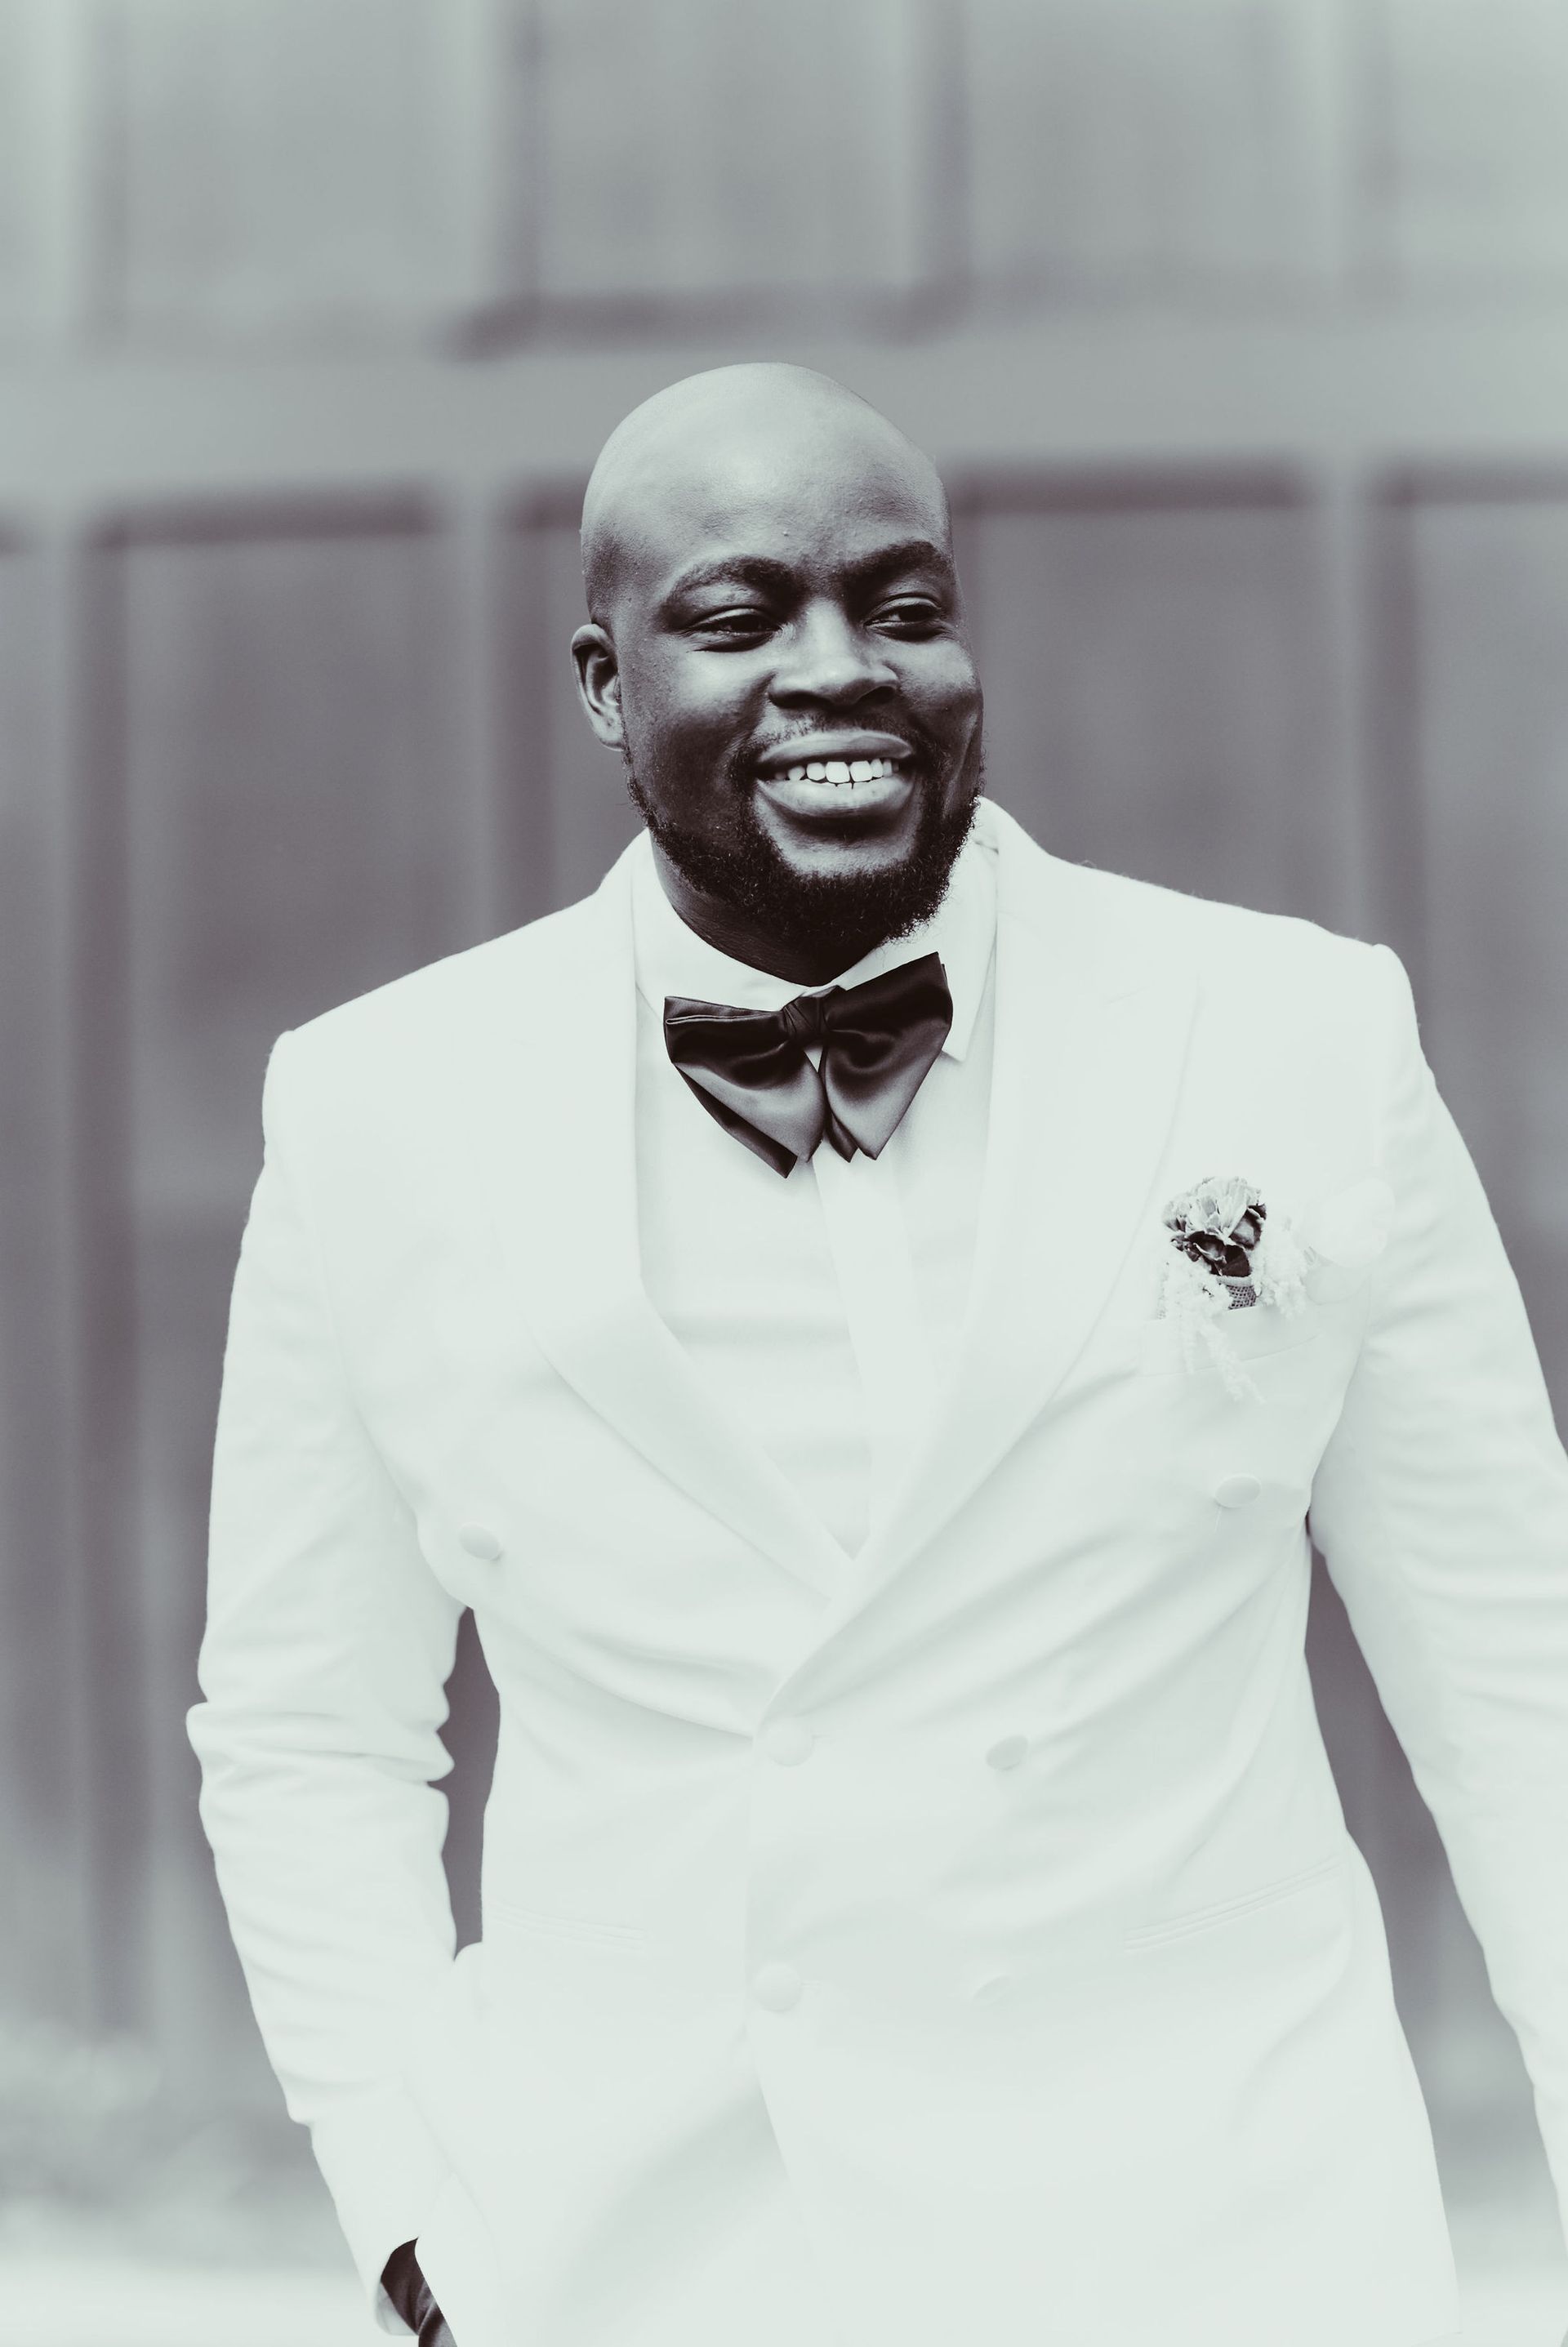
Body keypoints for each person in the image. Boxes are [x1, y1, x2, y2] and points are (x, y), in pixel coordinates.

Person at [189, 363, 1568, 2347]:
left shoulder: (1291, 1034)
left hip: (1223, 2242)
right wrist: (412, 2203)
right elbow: (308, 1728)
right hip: (648, 2266)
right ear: (602, 682)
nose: (842, 670)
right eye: (741, 618)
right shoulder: (376, 1108)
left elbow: (1518, 1666)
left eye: (903, 608)